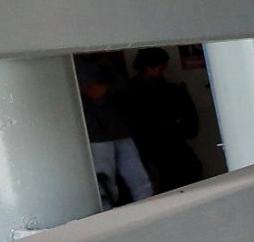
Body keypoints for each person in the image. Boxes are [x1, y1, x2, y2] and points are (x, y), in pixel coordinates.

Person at [123, 47, 205, 193]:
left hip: (171, 141)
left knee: (190, 173)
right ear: (148, 67)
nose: (163, 71)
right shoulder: (135, 91)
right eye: (160, 68)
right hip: (154, 145)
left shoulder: (159, 86)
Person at [77, 52, 154, 206]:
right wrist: (112, 90)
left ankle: (150, 211)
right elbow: (94, 92)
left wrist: (108, 90)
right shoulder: (76, 63)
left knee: (140, 180)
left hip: (119, 127)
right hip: (96, 132)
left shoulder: (102, 60)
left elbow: (125, 88)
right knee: (105, 184)